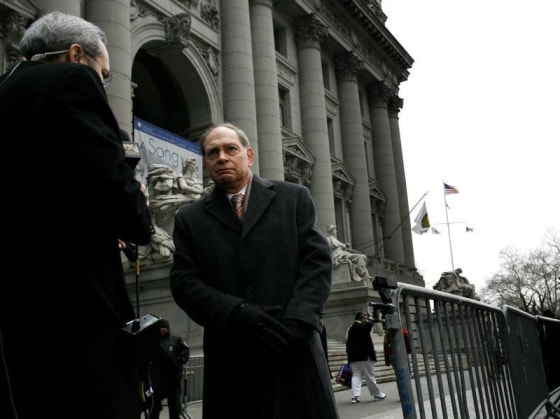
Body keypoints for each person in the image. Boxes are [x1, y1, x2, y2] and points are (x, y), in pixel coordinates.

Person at [0, 12, 153, 419]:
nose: (101, 84)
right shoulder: (71, 80)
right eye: (103, 75)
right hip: (79, 298)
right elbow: (108, 182)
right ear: (75, 55)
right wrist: (137, 215)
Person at [169, 122, 339, 419]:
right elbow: (185, 283)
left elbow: (316, 262)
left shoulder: (293, 198)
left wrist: (299, 323)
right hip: (231, 357)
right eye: (213, 152)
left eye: (230, 149)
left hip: (292, 349)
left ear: (248, 155)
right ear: (205, 163)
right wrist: (238, 312)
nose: (222, 157)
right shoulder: (189, 219)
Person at [146, 319, 190, 419]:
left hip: (172, 380)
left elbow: (185, 352)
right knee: (154, 408)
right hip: (156, 381)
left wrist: (178, 362)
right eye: (160, 328)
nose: (162, 330)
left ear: (168, 328)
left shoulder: (176, 340)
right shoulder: (152, 342)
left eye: (164, 328)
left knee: (174, 408)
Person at [346, 312, 386, 404]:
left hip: (353, 358)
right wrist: (373, 320)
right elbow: (368, 326)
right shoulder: (361, 327)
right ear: (360, 318)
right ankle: (377, 394)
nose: (366, 320)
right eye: (365, 318)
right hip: (365, 357)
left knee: (356, 376)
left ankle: (355, 396)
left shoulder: (350, 328)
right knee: (370, 376)